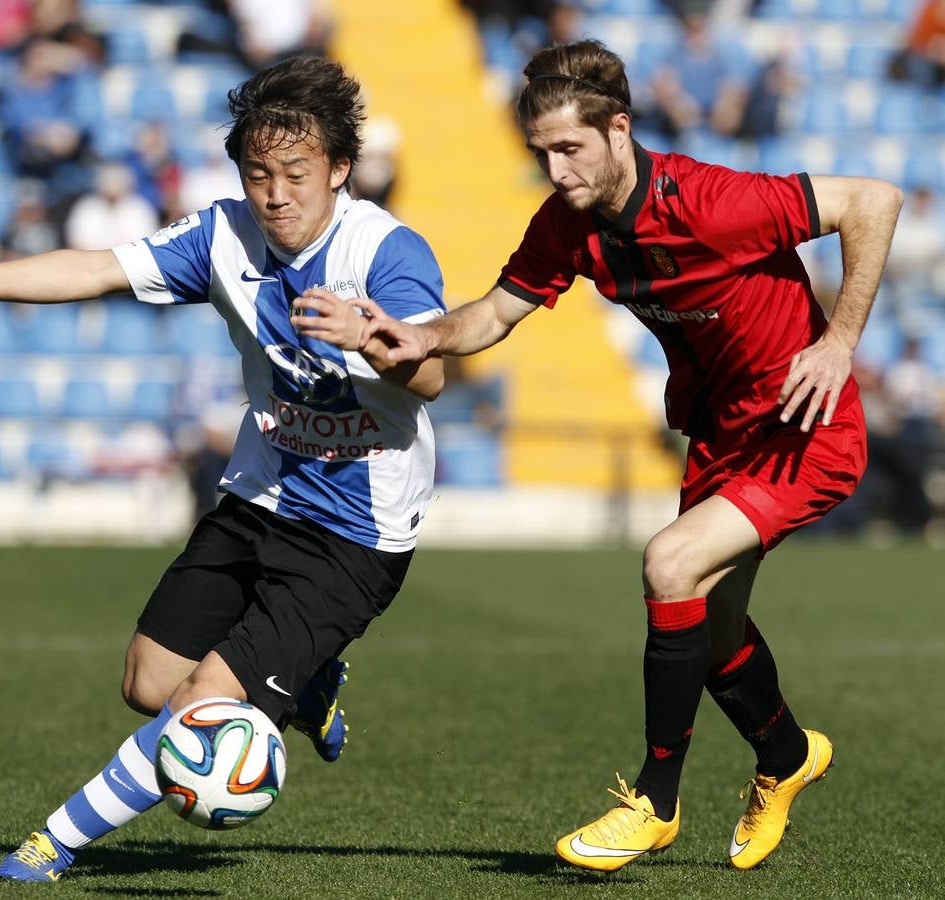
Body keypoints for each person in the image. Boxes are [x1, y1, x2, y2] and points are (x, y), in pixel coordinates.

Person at [342, 39, 903, 872]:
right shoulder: (569, 225)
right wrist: (420, 334)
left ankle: (654, 801)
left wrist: (838, 344)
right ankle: (787, 758)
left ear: (618, 130)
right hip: (721, 434)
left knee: (669, 565)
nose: (556, 170)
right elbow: (495, 315)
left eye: (570, 148)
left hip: (803, 428)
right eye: (542, 153)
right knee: (712, 632)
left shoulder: (711, 200)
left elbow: (875, 200)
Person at [0, 54, 447, 882]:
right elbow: (97, 268)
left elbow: (435, 375)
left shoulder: (387, 253)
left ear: (340, 170)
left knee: (203, 704)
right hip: (261, 495)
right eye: (259, 173)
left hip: (353, 535)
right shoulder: (222, 235)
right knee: (148, 678)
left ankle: (52, 843)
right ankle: (306, 688)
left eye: (297, 173)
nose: (277, 193)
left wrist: (368, 336)